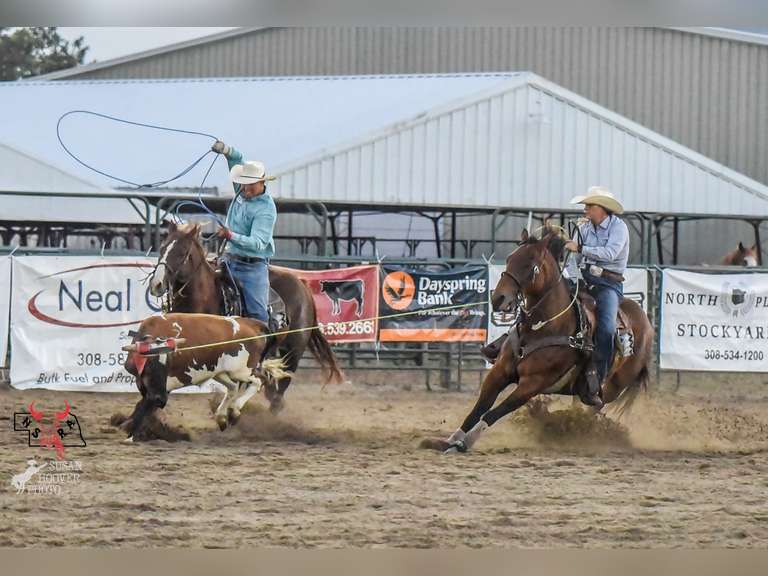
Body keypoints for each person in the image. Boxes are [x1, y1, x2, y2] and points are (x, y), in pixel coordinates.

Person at [564, 186, 629, 409]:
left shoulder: (619, 227)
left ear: (601, 208)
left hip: (608, 283)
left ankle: (598, 378)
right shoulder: (583, 227)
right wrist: (574, 279)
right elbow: (572, 259)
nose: (585, 209)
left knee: (607, 328)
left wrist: (581, 247)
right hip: (583, 280)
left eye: (589, 206)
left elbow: (611, 253)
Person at [211, 139, 277, 326]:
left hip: (252, 267)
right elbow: (236, 159)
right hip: (229, 259)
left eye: (250, 185)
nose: (245, 188)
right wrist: (225, 150)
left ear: (261, 182)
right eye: (243, 183)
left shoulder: (266, 209)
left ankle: (264, 341)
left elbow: (258, 243)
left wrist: (230, 236)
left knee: (258, 315)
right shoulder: (243, 190)